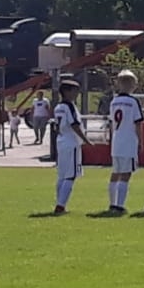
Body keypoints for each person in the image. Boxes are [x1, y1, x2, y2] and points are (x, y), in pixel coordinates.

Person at [105, 70, 144, 215]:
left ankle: (112, 203)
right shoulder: (133, 102)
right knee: (126, 174)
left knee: (115, 172)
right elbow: (138, 123)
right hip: (129, 141)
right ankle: (120, 205)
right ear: (132, 84)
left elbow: (111, 123)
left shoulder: (114, 101)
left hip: (117, 141)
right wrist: (141, 141)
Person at [51, 78, 87, 215]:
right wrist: (85, 139)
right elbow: (74, 124)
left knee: (62, 175)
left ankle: (59, 203)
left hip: (61, 141)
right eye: (75, 91)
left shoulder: (58, 107)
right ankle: (60, 205)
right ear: (66, 92)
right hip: (71, 142)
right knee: (70, 175)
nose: (76, 94)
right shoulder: (69, 106)